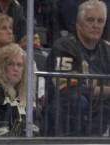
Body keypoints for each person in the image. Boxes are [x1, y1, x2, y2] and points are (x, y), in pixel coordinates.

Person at [45, 0, 110, 135]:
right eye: (90, 20)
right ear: (78, 24)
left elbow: (86, 87)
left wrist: (94, 89)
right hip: (63, 115)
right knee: (77, 100)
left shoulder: (107, 50)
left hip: (99, 110)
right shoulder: (64, 46)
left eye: (100, 21)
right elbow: (68, 89)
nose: (95, 25)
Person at [0, 42, 26, 134]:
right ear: (1, 66)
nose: (16, 69)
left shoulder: (23, 93)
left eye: (19, 65)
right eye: (11, 64)